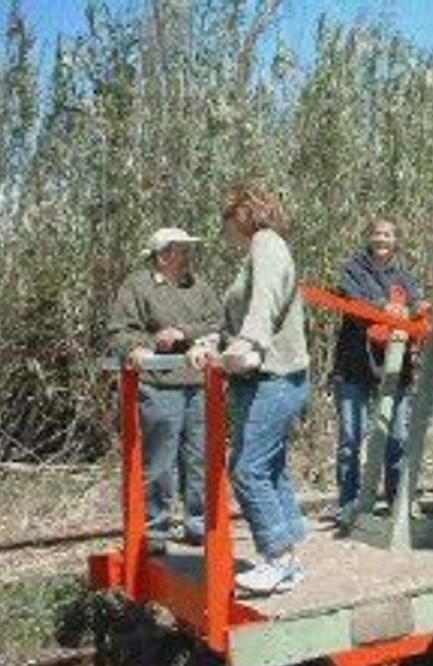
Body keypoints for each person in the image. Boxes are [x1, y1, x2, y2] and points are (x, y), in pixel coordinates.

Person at [188, 185, 311, 594]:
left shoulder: (266, 244)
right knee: (270, 467)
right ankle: (289, 558)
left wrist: (249, 344)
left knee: (248, 469)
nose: (226, 228)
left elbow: (264, 303)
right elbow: (241, 314)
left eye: (228, 218)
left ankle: (276, 558)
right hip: (266, 379)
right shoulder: (259, 250)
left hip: (274, 377)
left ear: (243, 213)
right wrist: (214, 343)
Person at [107, 227, 222, 555]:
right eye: (182, 250)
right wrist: (141, 348)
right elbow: (120, 331)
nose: (188, 257)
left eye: (189, 250)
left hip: (199, 386)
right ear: (163, 254)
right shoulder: (137, 286)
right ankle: (154, 531)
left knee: (199, 459)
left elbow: (218, 323)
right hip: (159, 387)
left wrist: (182, 332)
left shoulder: (200, 286)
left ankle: (198, 525)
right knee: (159, 462)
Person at [331, 218, 423, 522]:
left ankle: (397, 501)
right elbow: (351, 299)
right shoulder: (353, 270)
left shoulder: (405, 276)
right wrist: (385, 307)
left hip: (395, 369)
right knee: (350, 440)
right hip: (354, 365)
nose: (382, 239)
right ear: (369, 238)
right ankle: (349, 504)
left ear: (395, 240)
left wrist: (412, 311)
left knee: (396, 438)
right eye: (377, 233)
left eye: (388, 234)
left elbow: (418, 307)